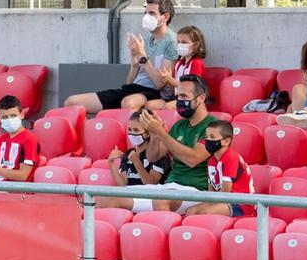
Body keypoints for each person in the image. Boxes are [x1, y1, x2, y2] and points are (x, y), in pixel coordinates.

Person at [97, 75, 216, 212]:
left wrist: (161, 133)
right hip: (168, 187)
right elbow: (154, 157)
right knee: (104, 198)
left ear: (201, 98)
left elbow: (192, 159)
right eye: (178, 97)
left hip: (195, 191)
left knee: (161, 201)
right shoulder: (179, 126)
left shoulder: (214, 126)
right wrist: (154, 135)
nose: (179, 101)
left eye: (183, 96)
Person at [64, 0, 177, 113]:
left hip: (152, 93)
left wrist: (142, 57)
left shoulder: (171, 42)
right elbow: (129, 83)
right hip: (133, 90)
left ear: (165, 17)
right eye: (145, 13)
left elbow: (160, 84)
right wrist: (134, 65)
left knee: (128, 103)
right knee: (71, 102)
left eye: (152, 13)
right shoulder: (145, 40)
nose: (146, 17)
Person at [185, 120, 253, 216]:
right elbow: (211, 190)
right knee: (190, 211)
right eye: (206, 137)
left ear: (226, 141)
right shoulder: (212, 161)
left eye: (212, 137)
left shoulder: (231, 157)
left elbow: (226, 190)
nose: (208, 140)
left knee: (205, 213)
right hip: (222, 201)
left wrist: (208, 206)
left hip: (241, 204)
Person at [144, 25, 206, 110]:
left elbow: (190, 89)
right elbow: (172, 92)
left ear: (195, 45)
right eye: (178, 42)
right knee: (149, 105)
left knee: (168, 107)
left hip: (190, 100)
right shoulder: (179, 63)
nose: (180, 45)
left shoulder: (196, 63)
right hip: (176, 97)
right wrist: (167, 80)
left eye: (184, 42)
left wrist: (170, 79)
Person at [105, 111, 171, 189]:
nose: (131, 133)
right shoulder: (129, 154)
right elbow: (123, 184)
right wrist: (111, 163)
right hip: (131, 197)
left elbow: (151, 184)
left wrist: (137, 162)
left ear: (147, 133)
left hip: (151, 198)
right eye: (129, 129)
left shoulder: (158, 154)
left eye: (136, 130)